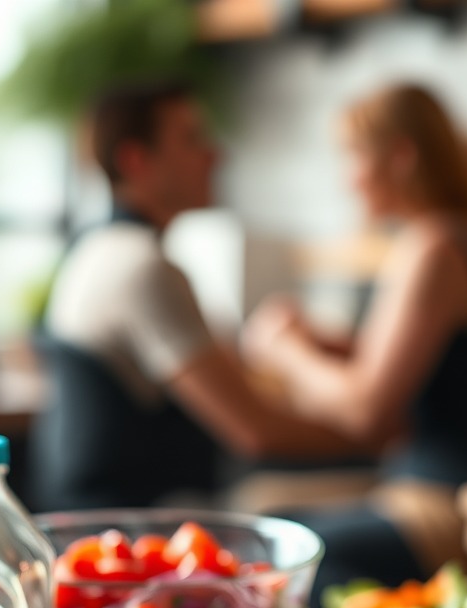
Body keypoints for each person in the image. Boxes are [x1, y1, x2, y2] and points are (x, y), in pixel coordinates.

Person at [240, 83, 467, 597]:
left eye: (354, 157)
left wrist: (285, 349)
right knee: (266, 510)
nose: (348, 180)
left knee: (273, 555)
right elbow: (424, 362)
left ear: (400, 156)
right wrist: (324, 343)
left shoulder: (434, 248)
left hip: (440, 509)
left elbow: (367, 411)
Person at [31, 81, 365, 511]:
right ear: (136, 161)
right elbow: (254, 431)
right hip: (137, 525)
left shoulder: (96, 249)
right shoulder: (143, 267)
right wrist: (374, 434)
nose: (216, 154)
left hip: (101, 510)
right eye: (191, 139)